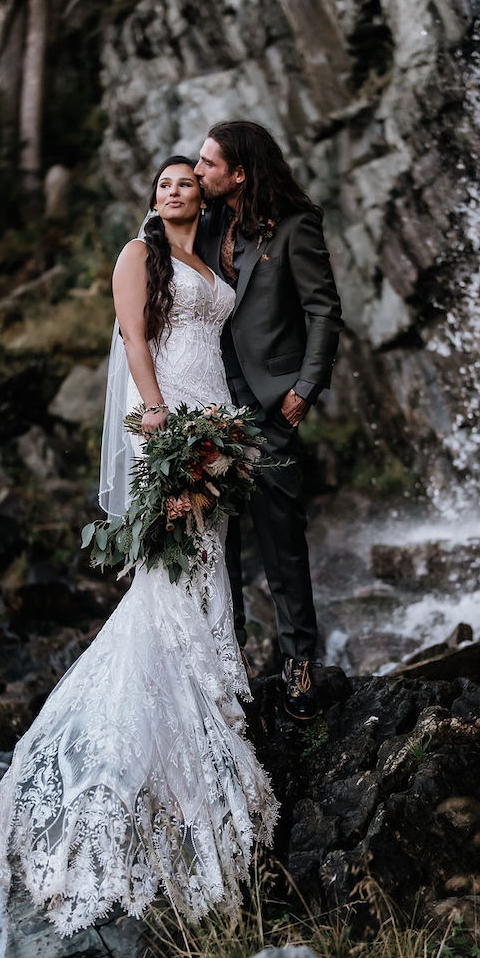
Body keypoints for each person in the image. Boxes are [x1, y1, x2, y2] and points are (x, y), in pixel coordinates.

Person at [0, 156, 278, 939]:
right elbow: (133, 335)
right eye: (164, 183)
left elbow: (220, 330)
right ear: (154, 198)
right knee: (175, 567)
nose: (175, 189)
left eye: (187, 180)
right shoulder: (141, 253)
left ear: (204, 193)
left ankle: (208, 699)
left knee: (206, 560)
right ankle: (171, 728)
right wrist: (161, 419)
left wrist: (222, 429)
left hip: (216, 418)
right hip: (175, 420)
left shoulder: (208, 257)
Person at [194, 121, 344, 722]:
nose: (200, 172)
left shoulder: (294, 228)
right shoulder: (202, 226)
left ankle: (299, 662)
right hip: (205, 402)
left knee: (280, 536)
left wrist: (305, 388)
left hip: (272, 406)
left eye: (209, 164)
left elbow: (324, 310)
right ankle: (229, 659)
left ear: (240, 174)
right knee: (216, 540)